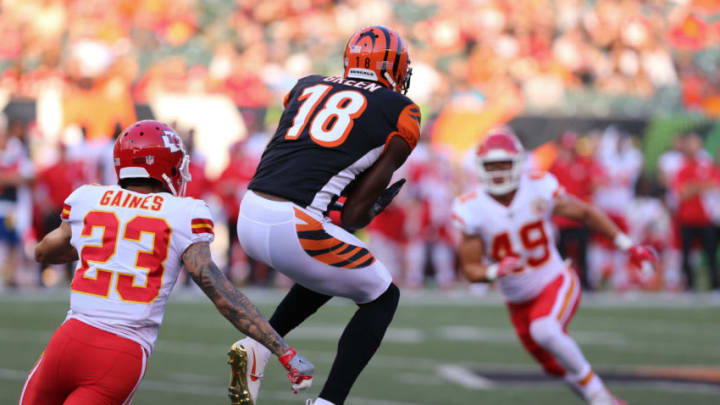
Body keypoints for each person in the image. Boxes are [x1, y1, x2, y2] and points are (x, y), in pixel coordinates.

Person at [19, 121, 313, 405]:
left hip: (68, 341)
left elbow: (43, 253)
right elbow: (224, 297)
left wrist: (101, 245)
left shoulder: (89, 198)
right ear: (165, 165)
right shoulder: (184, 213)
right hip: (120, 353)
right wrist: (283, 350)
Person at [231, 26, 420, 405]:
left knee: (333, 266)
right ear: (394, 68)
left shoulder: (305, 86)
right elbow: (352, 215)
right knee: (383, 294)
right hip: (295, 226)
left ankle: (259, 344)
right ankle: (328, 402)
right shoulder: (402, 112)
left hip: (249, 211)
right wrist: (374, 204)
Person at [452, 129, 656, 405]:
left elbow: (584, 213)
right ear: (480, 167)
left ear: (517, 164)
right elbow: (471, 269)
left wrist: (627, 245)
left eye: (504, 164)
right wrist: (494, 271)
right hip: (517, 301)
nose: (498, 172)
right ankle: (596, 396)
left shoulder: (539, 186)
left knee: (545, 329)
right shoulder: (472, 207)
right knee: (554, 367)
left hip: (554, 278)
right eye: (491, 165)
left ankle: (601, 397)